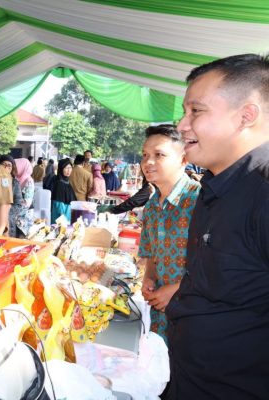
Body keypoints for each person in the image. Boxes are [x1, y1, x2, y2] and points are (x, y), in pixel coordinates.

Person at [165, 53, 269, 399]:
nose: (182, 125)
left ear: (246, 116)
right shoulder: (215, 188)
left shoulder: (263, 194)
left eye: (196, 111)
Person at [136, 125, 200, 344]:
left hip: (193, 314)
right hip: (159, 315)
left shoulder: (200, 201)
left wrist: (177, 289)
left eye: (159, 155)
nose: (148, 162)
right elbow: (151, 253)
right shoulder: (151, 207)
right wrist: (149, 277)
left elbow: (217, 263)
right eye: (145, 155)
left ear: (183, 159)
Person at [10, 158, 34, 238]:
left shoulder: (29, 181)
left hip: (24, 215)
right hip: (14, 213)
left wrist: (12, 211)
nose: (14, 169)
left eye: (16, 167)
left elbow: (27, 202)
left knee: (21, 238)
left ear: (22, 167)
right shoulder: (15, 179)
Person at [0, 155, 22, 237]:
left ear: (12, 168)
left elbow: (18, 204)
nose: (6, 167)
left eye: (9, 165)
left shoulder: (15, 183)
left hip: (8, 220)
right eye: (3, 164)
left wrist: (4, 212)